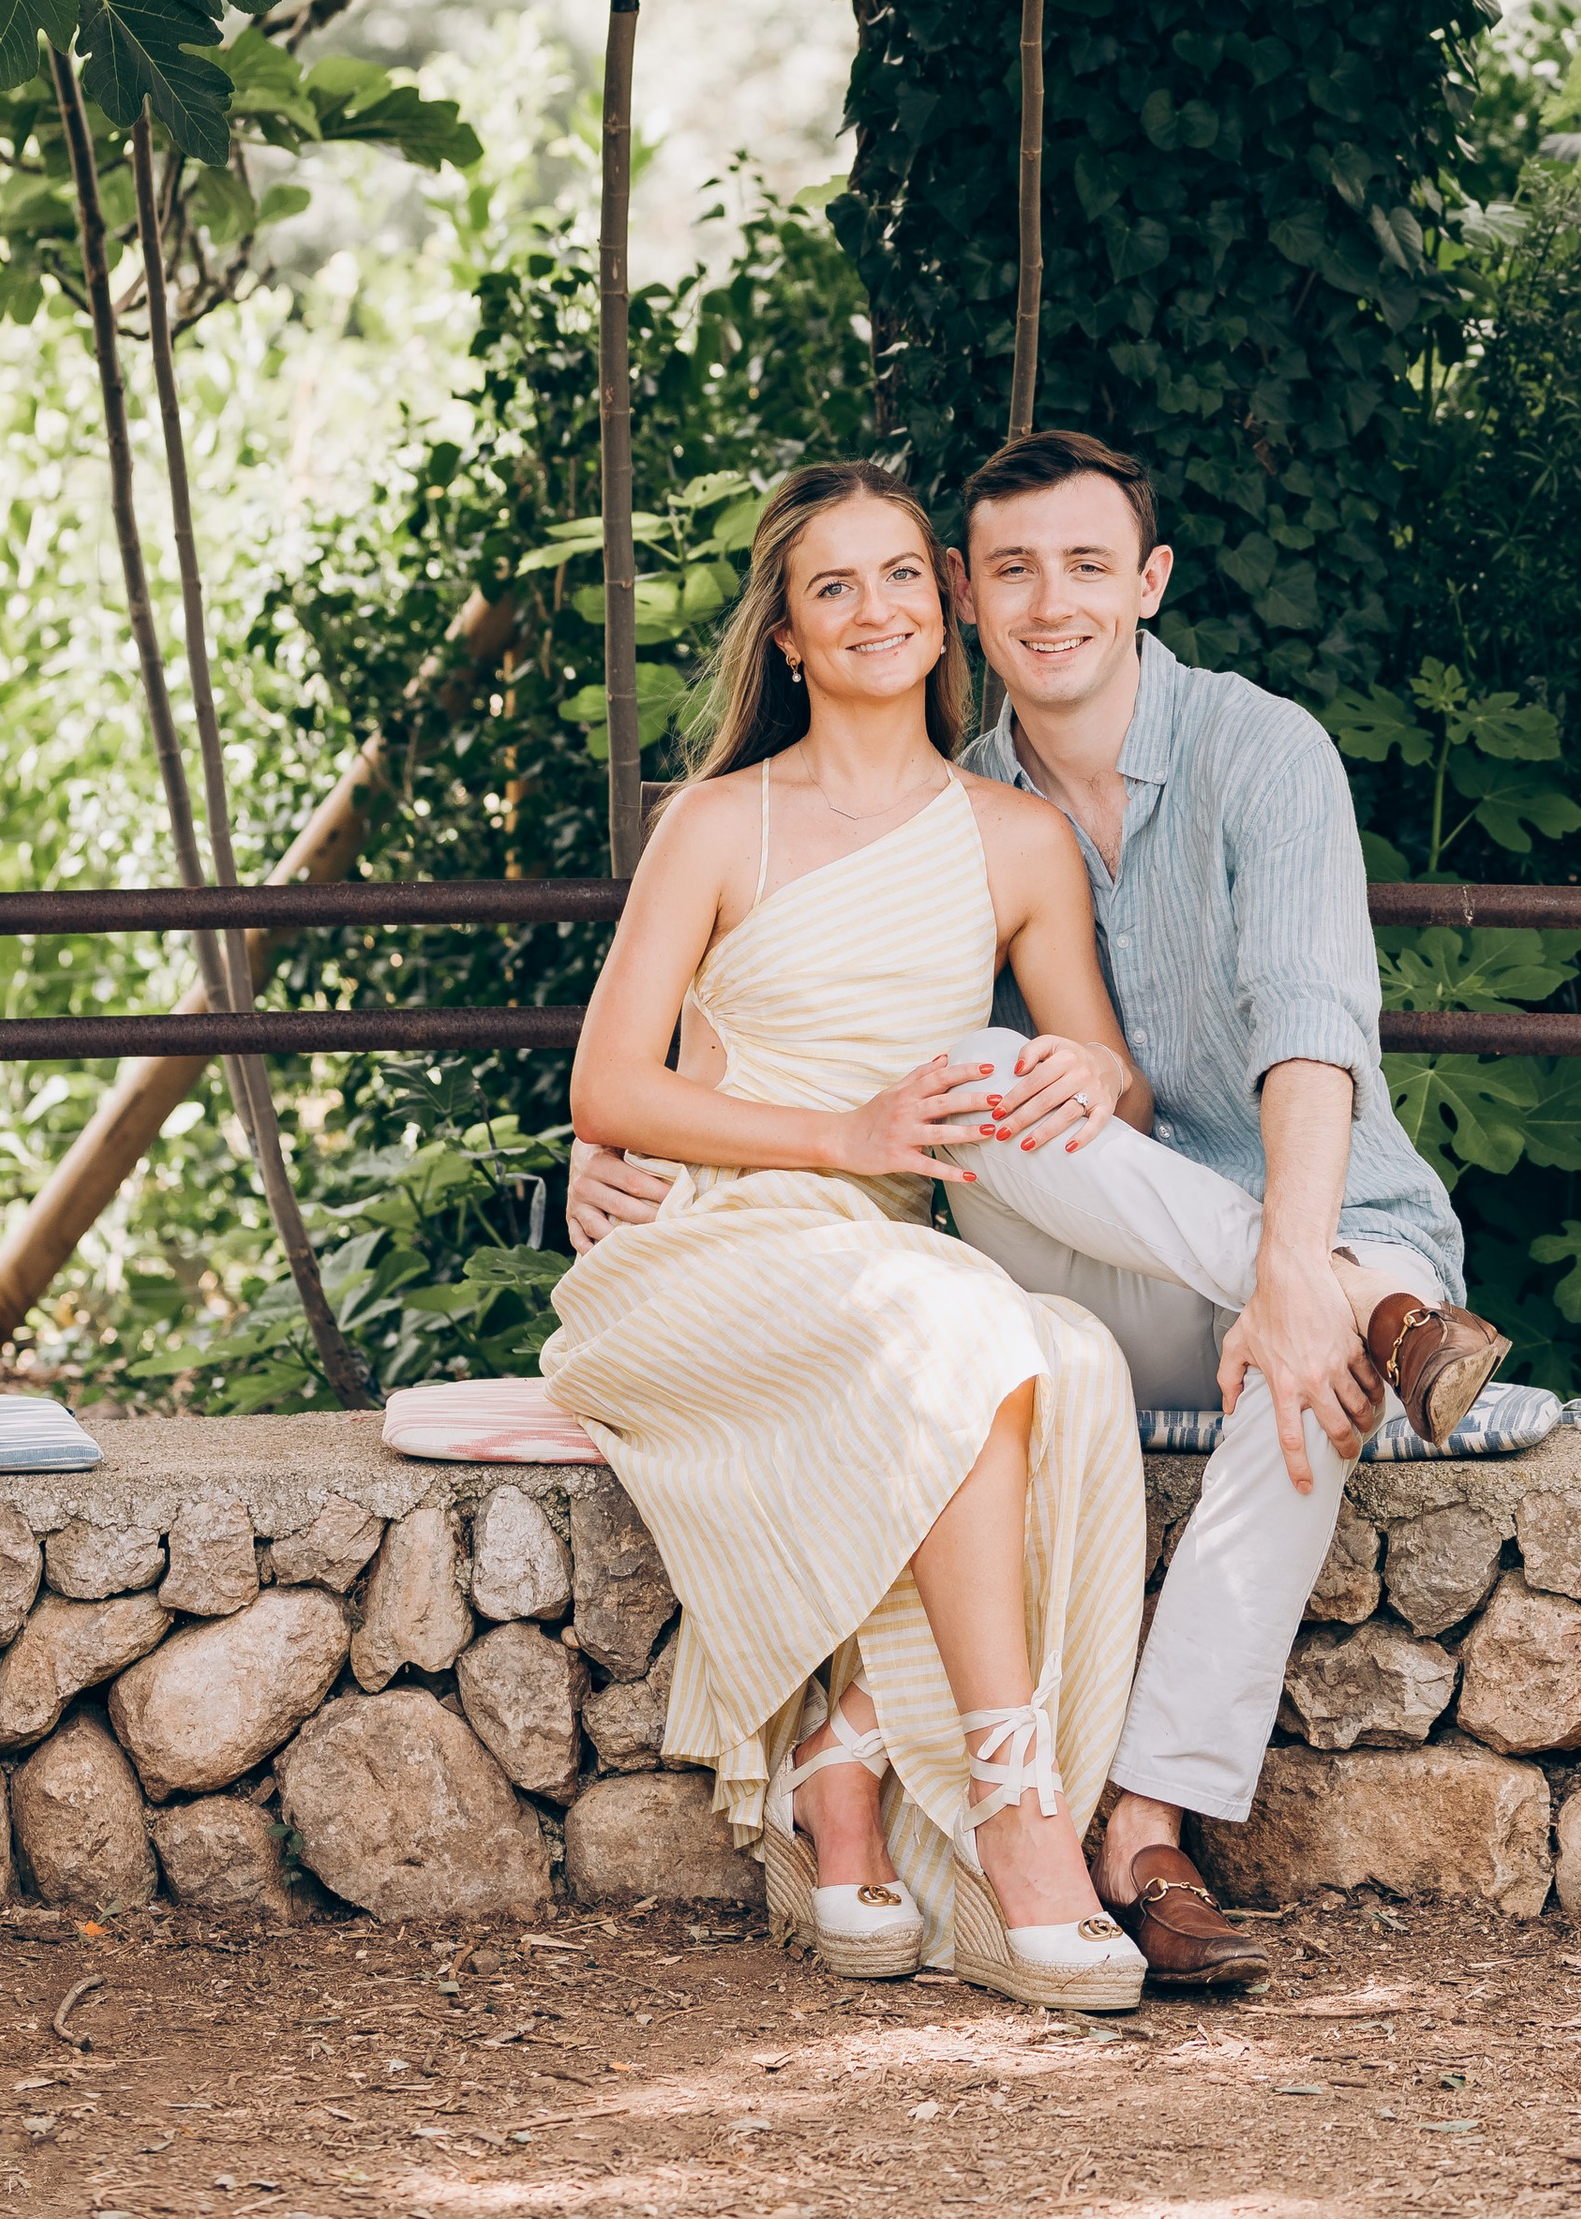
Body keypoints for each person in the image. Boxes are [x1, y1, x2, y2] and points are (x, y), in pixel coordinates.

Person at [569, 427, 1509, 1994]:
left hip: (1307, 1216)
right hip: (986, 1232)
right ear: (960, 599)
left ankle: (1141, 1824)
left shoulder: (1253, 756)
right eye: (1009, 569)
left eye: (1087, 564)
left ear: (1147, 582)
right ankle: (1364, 1327)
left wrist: (1288, 1264)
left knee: (1291, 1372)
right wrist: (663, 1143)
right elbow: (646, 1069)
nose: (1046, 599)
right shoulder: (869, 802)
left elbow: (1304, 1028)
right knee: (997, 1098)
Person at [540, 456, 1153, 2011]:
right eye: (833, 588)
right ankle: (1020, 1823)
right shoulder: (718, 825)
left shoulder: (1015, 843)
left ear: (944, 614)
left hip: (884, 1253)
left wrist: (1092, 1069)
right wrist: (842, 1135)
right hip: (705, 1248)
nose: (873, 610)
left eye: (898, 577)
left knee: (1060, 1349)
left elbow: (1114, 1087)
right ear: (792, 639)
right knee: (969, 1330)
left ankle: (848, 1748)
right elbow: (610, 1084)